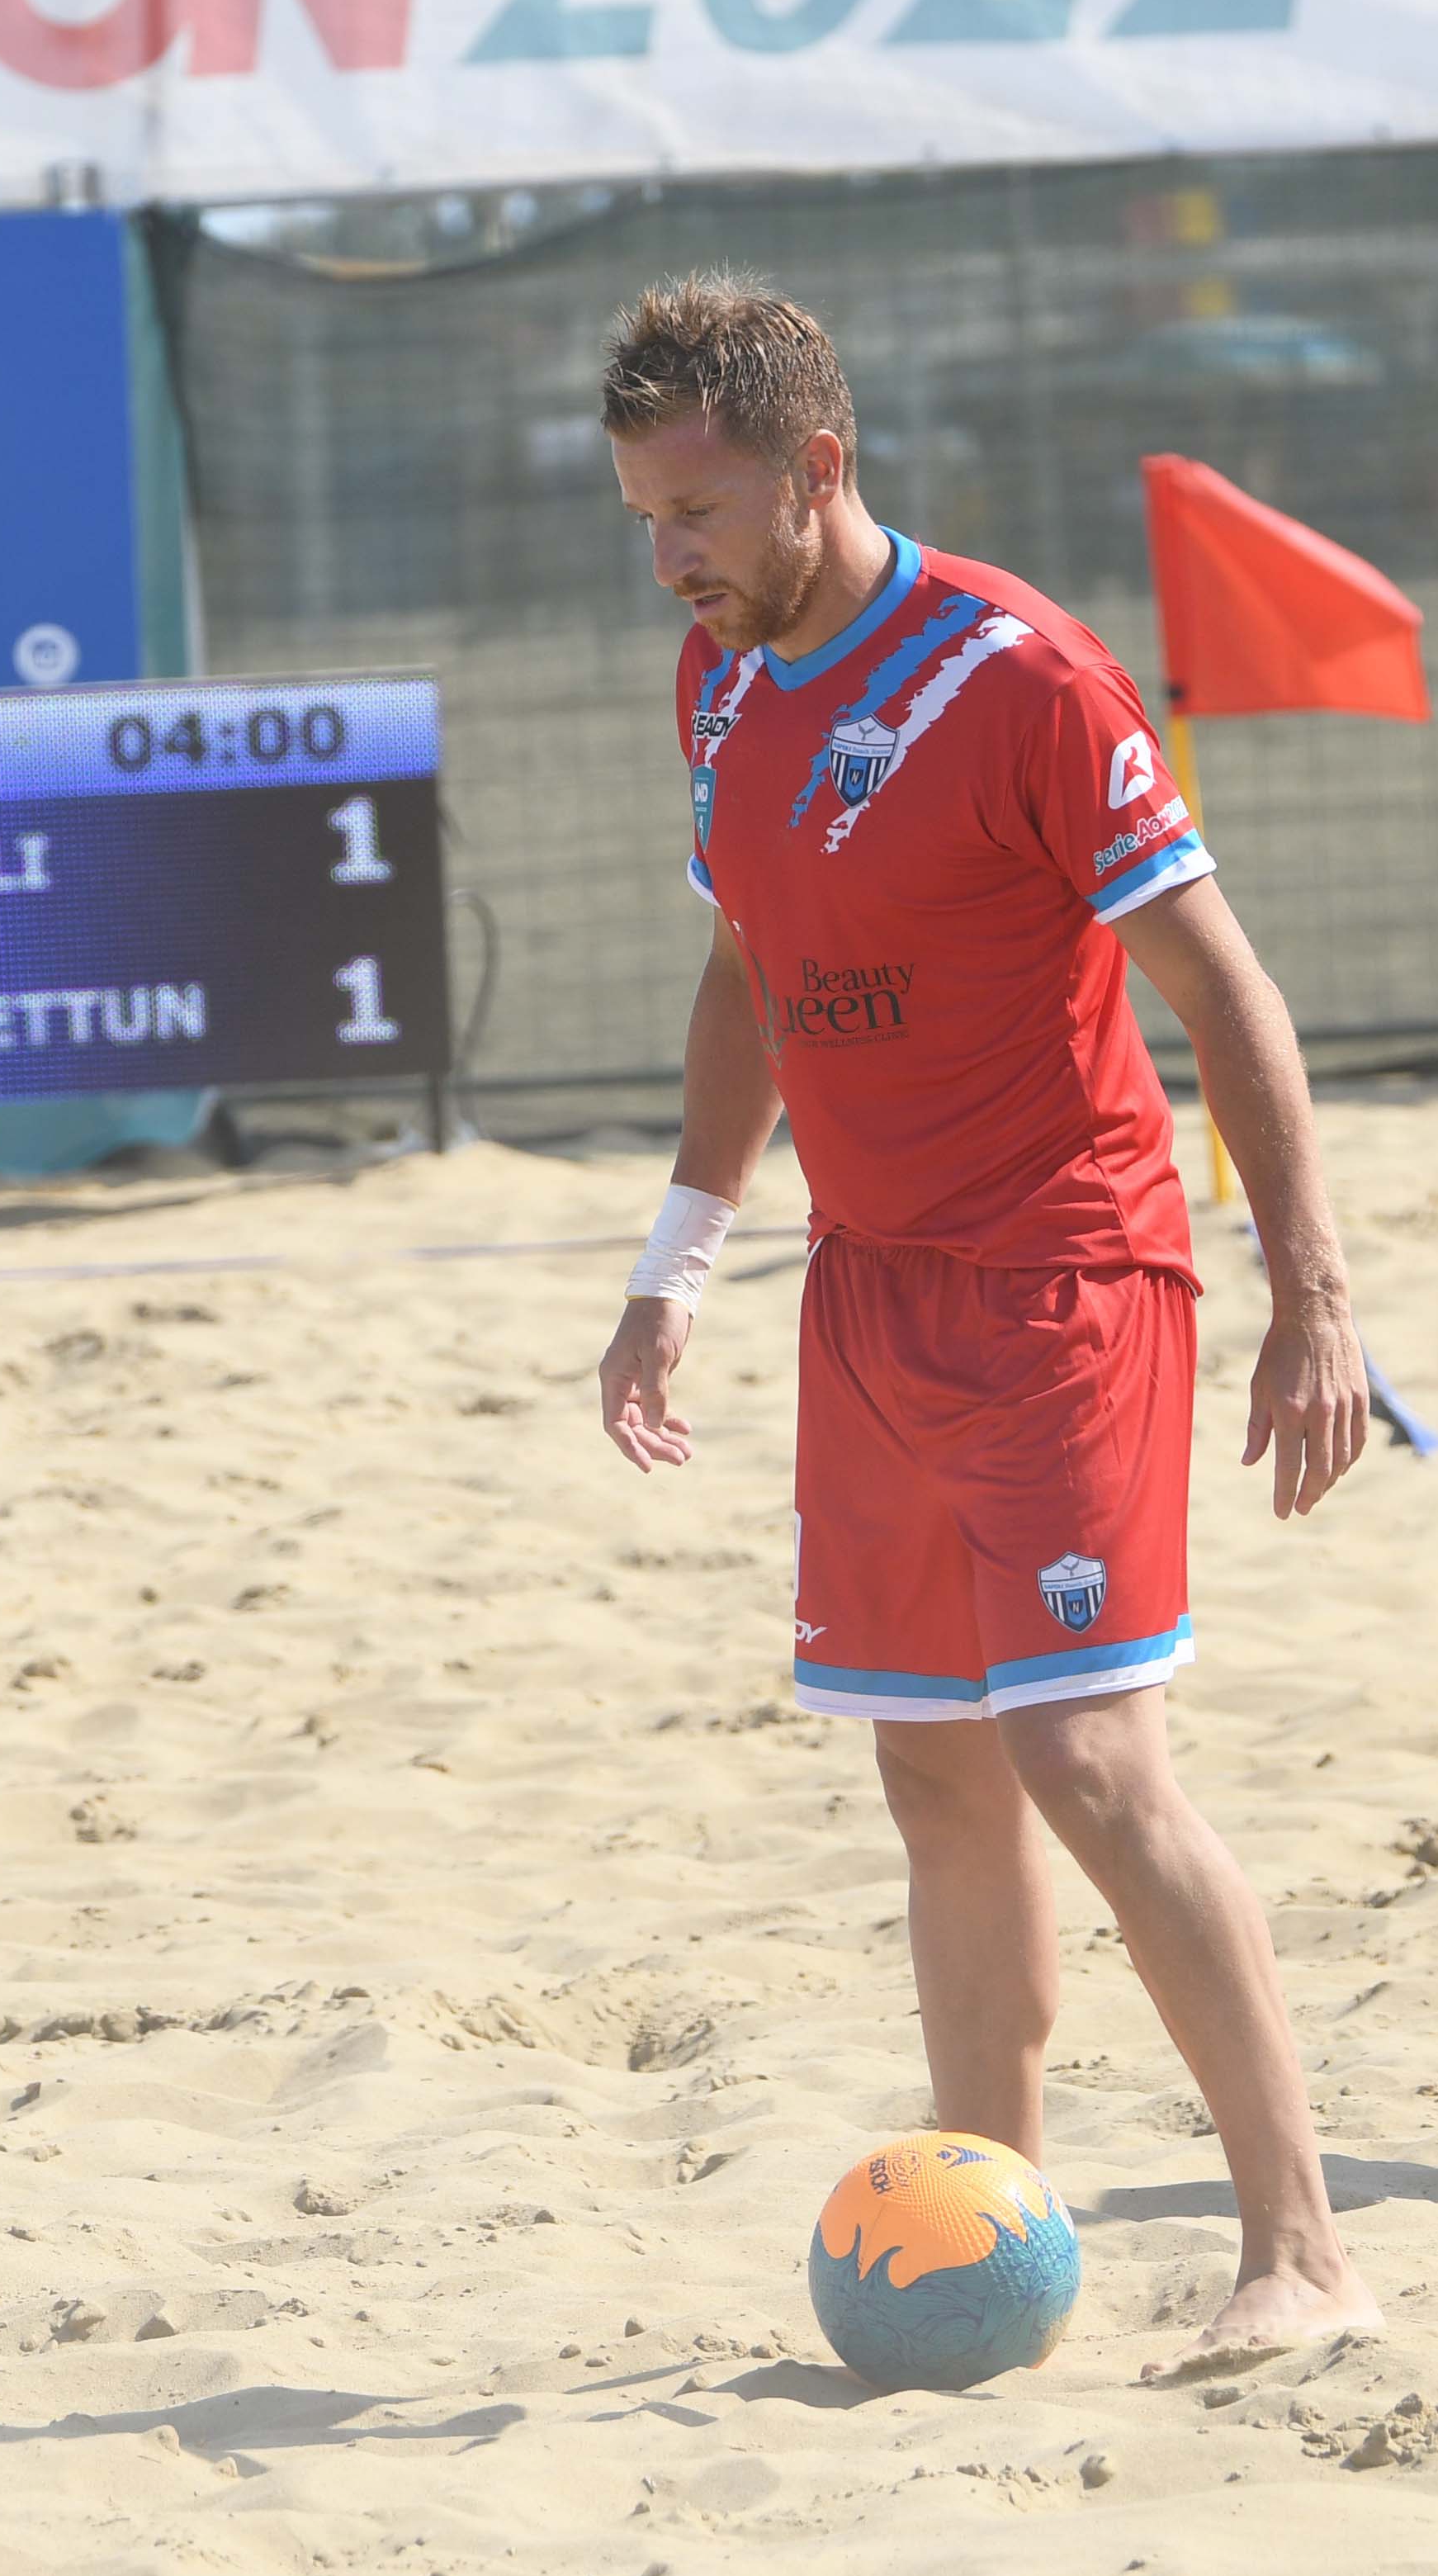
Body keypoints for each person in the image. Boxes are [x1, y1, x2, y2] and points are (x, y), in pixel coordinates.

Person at [586, 274, 1379, 2370]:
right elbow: (748, 976)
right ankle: (992, 2244)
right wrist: (678, 1257)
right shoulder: (717, 682)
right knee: (933, 1775)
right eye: (644, 520)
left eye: (696, 512)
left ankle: (1303, 2250)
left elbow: (1225, 991)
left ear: (817, 467)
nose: (669, 561)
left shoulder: (1023, 677)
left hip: (1063, 1277)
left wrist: (1312, 1296)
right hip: (866, 1287)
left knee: (1085, 1757)